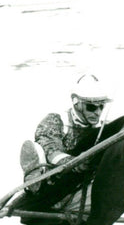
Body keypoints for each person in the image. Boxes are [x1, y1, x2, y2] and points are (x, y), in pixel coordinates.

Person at [19, 73, 111, 209]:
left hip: (86, 183)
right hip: (54, 184)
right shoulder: (56, 120)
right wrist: (75, 162)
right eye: (91, 107)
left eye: (101, 107)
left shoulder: (104, 127)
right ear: (76, 103)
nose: (97, 112)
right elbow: (50, 150)